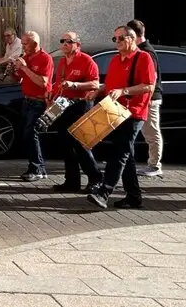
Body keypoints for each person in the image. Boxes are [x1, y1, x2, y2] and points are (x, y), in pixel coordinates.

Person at [87, 26, 155, 210]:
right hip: (114, 111)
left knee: (119, 153)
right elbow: (110, 85)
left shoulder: (143, 58)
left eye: (120, 38)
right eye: (114, 39)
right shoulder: (115, 59)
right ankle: (134, 196)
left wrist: (124, 91)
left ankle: (104, 192)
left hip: (134, 112)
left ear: (131, 39)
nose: (116, 42)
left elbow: (149, 86)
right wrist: (97, 92)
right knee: (126, 155)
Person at [51, 31, 101, 193]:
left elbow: (95, 84)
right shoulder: (62, 62)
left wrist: (75, 85)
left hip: (81, 106)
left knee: (81, 144)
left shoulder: (86, 60)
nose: (65, 44)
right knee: (65, 145)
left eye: (69, 41)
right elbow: (59, 84)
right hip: (64, 105)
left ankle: (95, 179)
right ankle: (72, 182)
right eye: (63, 41)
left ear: (77, 45)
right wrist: (51, 94)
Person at [13, 31, 54, 182]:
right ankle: (39, 168)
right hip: (27, 100)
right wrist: (14, 70)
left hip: (39, 101)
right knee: (29, 135)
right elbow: (18, 79)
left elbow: (43, 82)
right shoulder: (26, 57)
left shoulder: (45, 58)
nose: (23, 46)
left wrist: (24, 68)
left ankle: (35, 168)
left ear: (35, 44)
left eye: (25, 44)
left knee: (31, 134)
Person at [127, 19, 164, 178]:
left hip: (149, 99)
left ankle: (155, 165)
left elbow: (152, 79)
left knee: (151, 132)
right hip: (141, 98)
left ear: (133, 34)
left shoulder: (146, 52)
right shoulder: (139, 51)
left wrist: (147, 99)